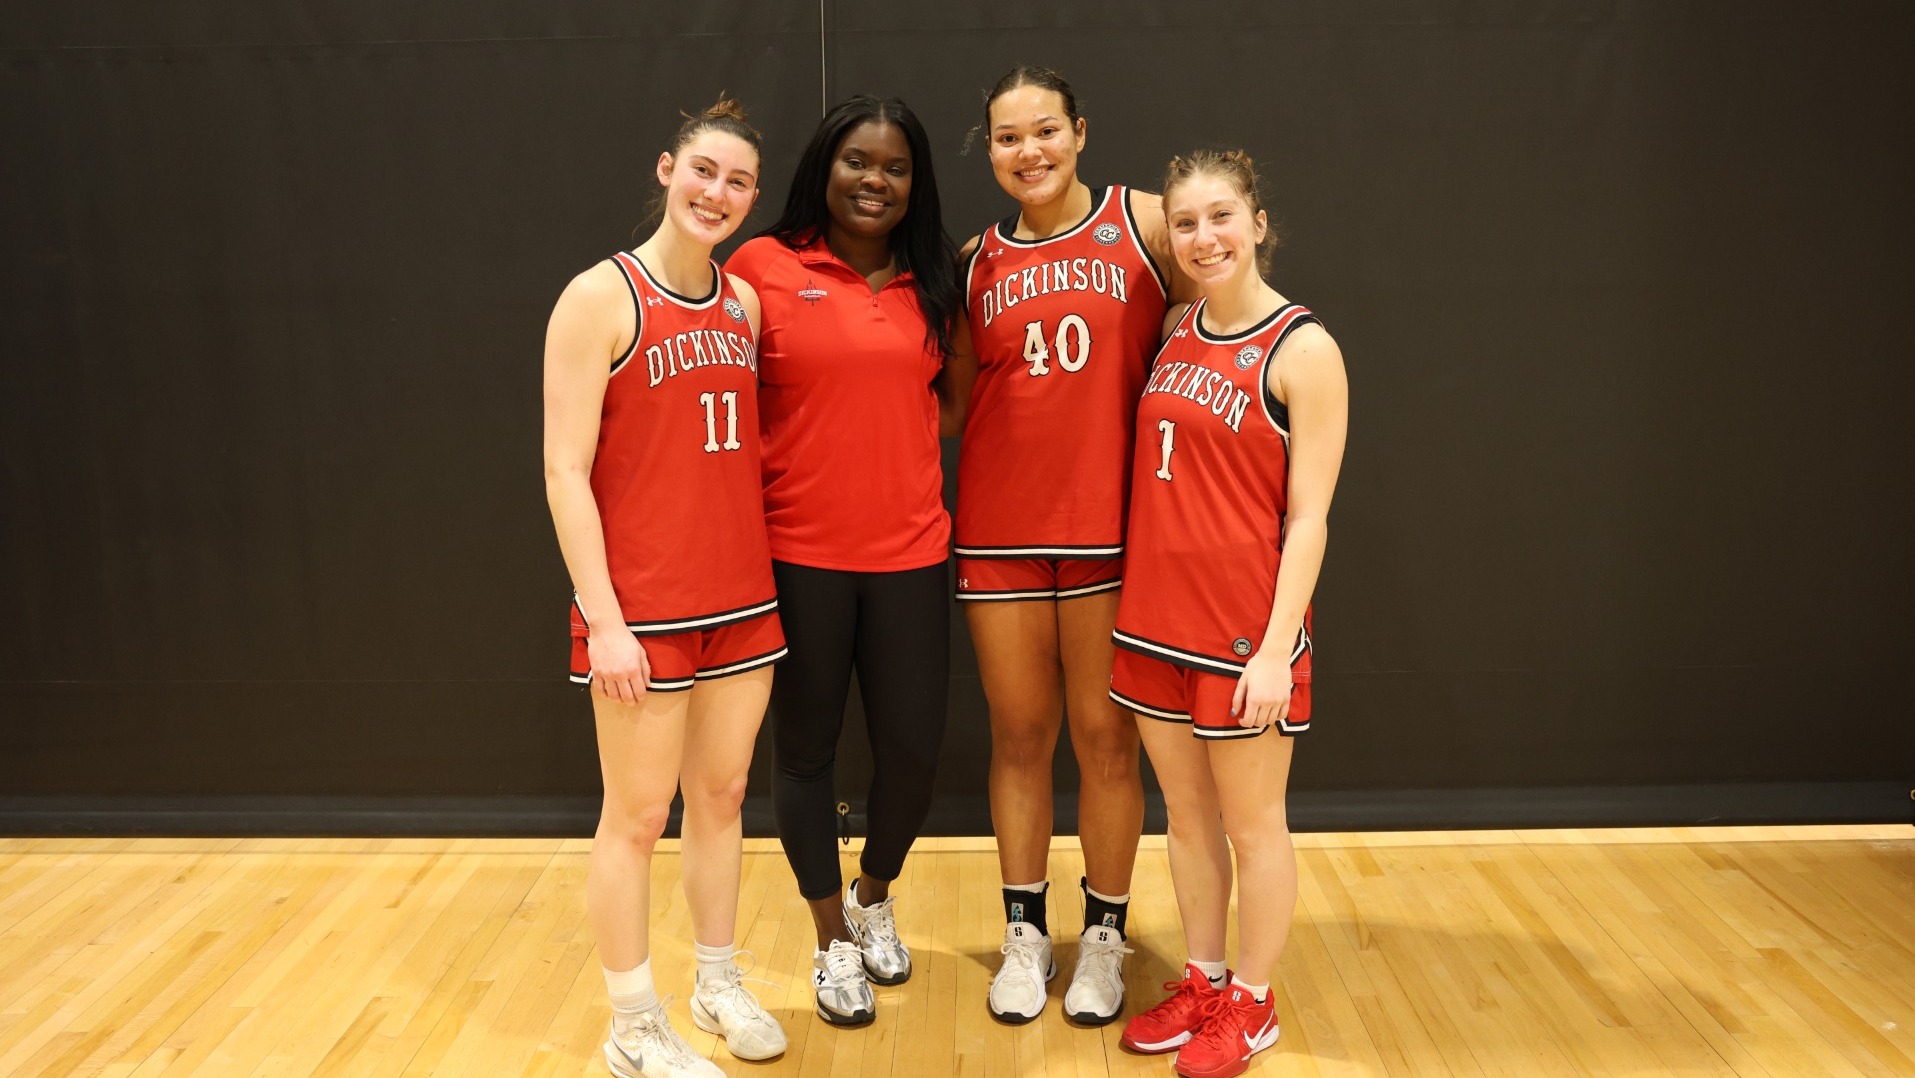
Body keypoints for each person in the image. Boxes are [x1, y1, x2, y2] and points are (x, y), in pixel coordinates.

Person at [542, 99, 787, 1078]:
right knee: (637, 818)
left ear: (752, 197)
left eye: (737, 182)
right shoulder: (598, 296)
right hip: (643, 610)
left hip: (741, 599)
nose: (715, 193)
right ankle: (633, 1024)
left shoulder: (744, 305)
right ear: (665, 170)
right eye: (702, 171)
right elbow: (564, 470)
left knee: (721, 797)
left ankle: (716, 981)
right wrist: (602, 621)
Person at [725, 95, 969, 1028]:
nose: (875, 180)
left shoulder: (933, 276)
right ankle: (830, 938)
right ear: (823, 167)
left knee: (912, 753)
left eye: (895, 167)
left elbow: (951, 405)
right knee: (805, 752)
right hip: (796, 555)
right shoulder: (761, 267)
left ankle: (871, 895)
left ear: (916, 182)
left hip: (909, 552)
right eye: (856, 162)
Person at [956, 64, 1188, 1026]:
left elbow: (1216, 325)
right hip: (1000, 533)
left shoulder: (1147, 225)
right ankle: (1024, 936)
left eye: (1045, 130)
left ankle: (1101, 936)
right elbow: (955, 401)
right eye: (1008, 137)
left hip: (1109, 530)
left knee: (1105, 741)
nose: (1029, 151)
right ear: (990, 149)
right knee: (1018, 737)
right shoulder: (973, 261)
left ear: (1080, 132)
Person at [1112, 149, 1348, 1078]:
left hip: (1243, 637)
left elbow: (1309, 517)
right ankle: (1203, 980)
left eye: (1220, 217)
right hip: (1154, 622)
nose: (1203, 237)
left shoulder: (1303, 348)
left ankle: (1252, 1001)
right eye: (1185, 223)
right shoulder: (1175, 328)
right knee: (1184, 818)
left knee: (1254, 827)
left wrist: (1277, 648)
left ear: (1257, 223)